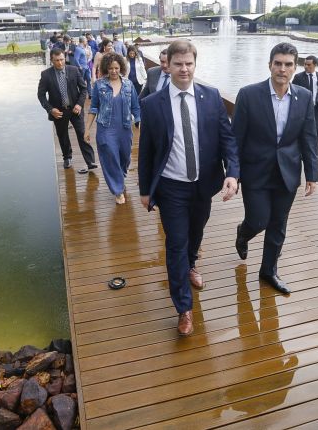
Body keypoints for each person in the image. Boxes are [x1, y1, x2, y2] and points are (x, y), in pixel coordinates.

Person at [138, 39, 239, 336]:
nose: (184, 69)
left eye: (189, 64)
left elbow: (227, 140)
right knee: (176, 244)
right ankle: (184, 308)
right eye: (178, 63)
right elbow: (145, 150)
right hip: (171, 188)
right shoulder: (152, 104)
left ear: (195, 65)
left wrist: (232, 173)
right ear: (167, 65)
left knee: (196, 234)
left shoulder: (211, 97)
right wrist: (146, 189)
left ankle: (191, 264)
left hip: (203, 185)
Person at [232, 42, 318, 295]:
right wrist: (233, 174)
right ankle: (243, 232)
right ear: (270, 65)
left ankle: (268, 270)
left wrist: (312, 173)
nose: (282, 69)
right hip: (256, 171)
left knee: (278, 225)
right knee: (258, 220)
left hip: (288, 171)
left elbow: (309, 137)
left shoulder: (304, 96)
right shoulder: (248, 95)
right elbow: (236, 138)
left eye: (288, 64)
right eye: (278, 63)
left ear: (295, 67)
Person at [85, 53, 141, 204]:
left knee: (125, 158)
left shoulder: (129, 85)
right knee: (111, 158)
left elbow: (136, 107)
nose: (114, 71)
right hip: (105, 129)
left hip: (124, 128)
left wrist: (140, 123)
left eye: (116, 68)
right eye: (110, 68)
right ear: (106, 68)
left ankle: (119, 178)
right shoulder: (99, 85)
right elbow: (94, 108)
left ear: (121, 68)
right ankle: (117, 191)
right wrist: (87, 129)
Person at [37, 48, 99, 174]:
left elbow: (83, 89)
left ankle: (90, 161)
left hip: (75, 109)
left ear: (64, 58)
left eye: (61, 60)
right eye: (56, 61)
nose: (60, 63)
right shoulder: (46, 75)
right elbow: (41, 95)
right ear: (52, 60)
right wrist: (50, 109)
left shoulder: (74, 70)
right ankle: (67, 157)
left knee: (82, 134)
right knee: (63, 136)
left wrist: (80, 104)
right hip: (58, 112)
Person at [292, 55, 318, 146]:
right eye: (305, 64)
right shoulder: (298, 77)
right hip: (303, 110)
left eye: (308, 65)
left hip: (317, 109)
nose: (306, 66)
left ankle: (316, 154)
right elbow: (292, 94)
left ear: (315, 65)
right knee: (304, 131)